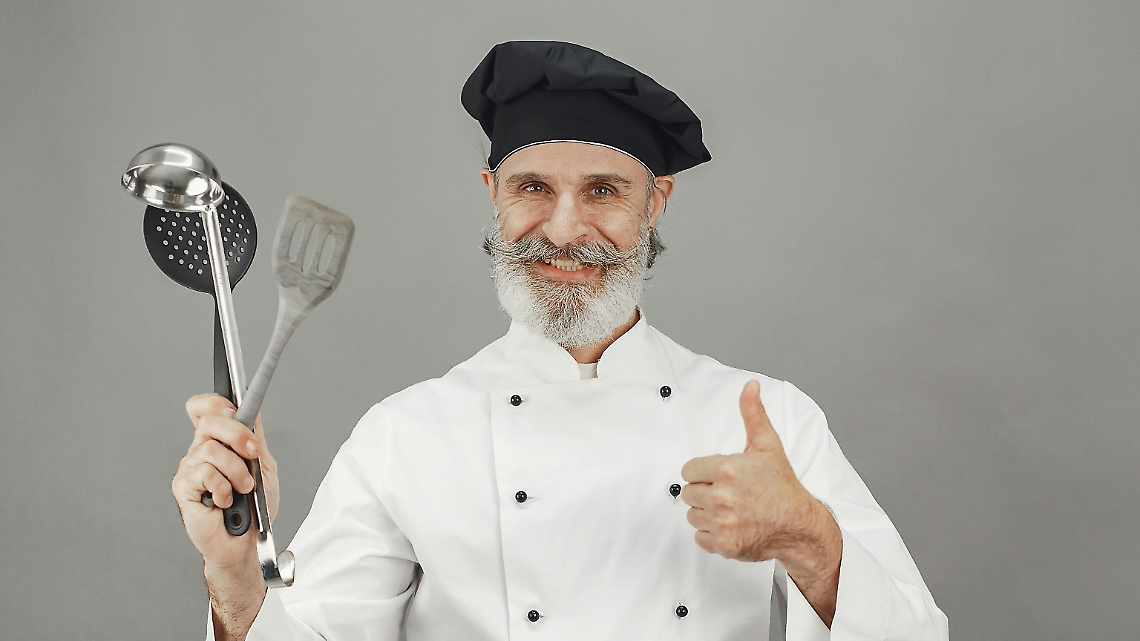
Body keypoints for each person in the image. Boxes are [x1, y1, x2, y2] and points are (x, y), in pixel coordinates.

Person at [172, 41, 949, 641]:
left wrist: (811, 540)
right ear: (493, 195)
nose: (566, 229)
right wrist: (235, 577)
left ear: (656, 203)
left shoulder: (769, 422)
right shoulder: (405, 436)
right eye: (533, 187)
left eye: (603, 190)